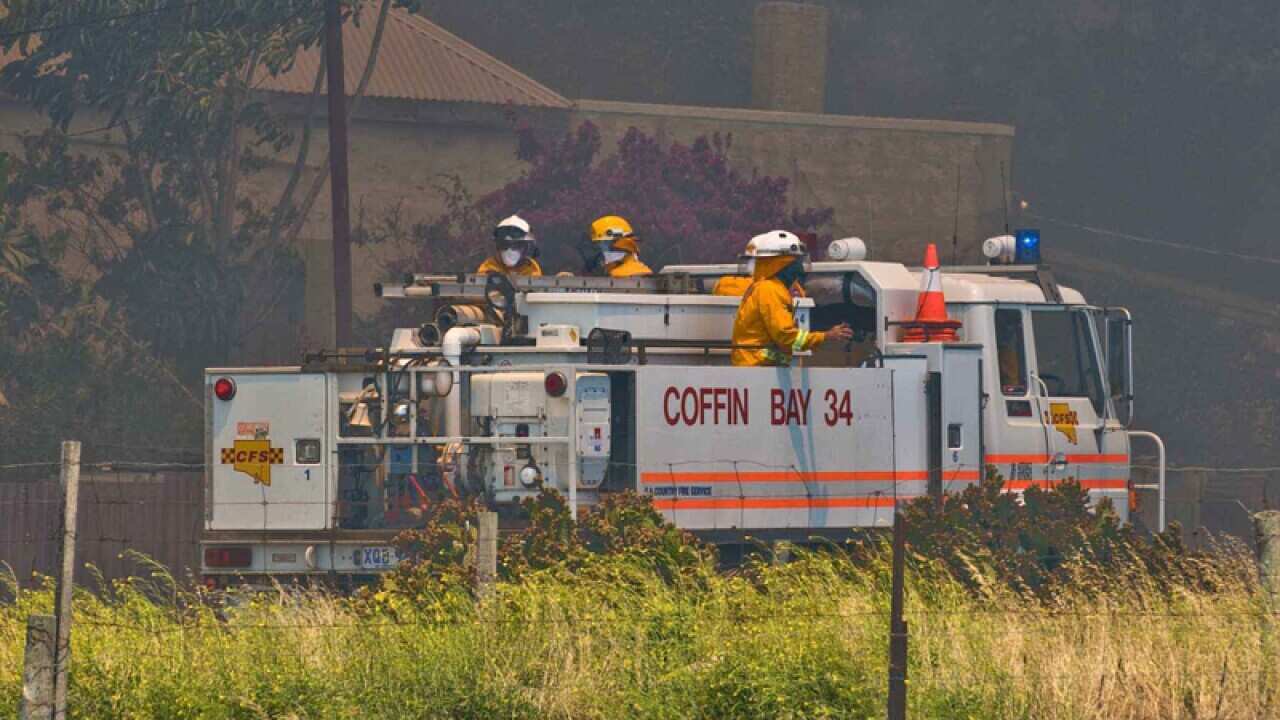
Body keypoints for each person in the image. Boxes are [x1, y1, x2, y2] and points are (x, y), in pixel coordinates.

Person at [730, 230, 852, 367]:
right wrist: (825, 336)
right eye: (797, 262)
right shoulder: (769, 290)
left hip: (759, 368)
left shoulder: (767, 288)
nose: (801, 269)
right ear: (782, 265)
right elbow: (786, 337)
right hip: (758, 369)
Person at [476, 215, 542, 276]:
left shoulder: (531, 268)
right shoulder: (489, 267)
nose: (510, 250)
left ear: (526, 247)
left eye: (517, 245)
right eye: (505, 244)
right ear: (498, 247)